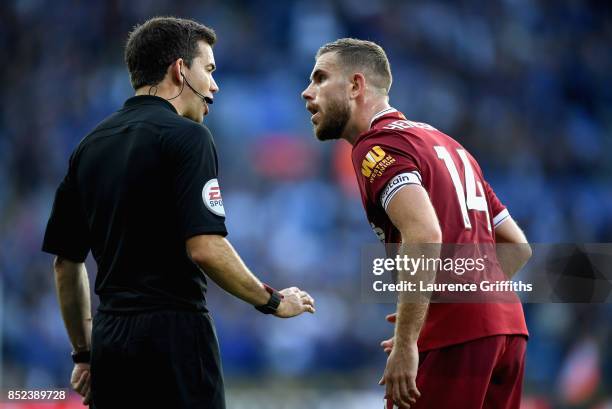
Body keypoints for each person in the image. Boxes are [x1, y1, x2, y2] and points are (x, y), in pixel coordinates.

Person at [42, 17, 315, 409]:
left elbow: (66, 265)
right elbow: (205, 247)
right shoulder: (189, 138)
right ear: (180, 69)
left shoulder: (88, 147)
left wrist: (84, 354)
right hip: (175, 338)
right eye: (209, 70)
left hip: (111, 342)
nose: (215, 85)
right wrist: (272, 301)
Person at [302, 38, 531, 409]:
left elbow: (423, 232)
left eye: (320, 78)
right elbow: (517, 246)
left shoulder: (377, 147)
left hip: (456, 337)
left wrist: (410, 339)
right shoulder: (448, 145)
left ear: (356, 86)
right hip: (509, 328)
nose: (307, 92)